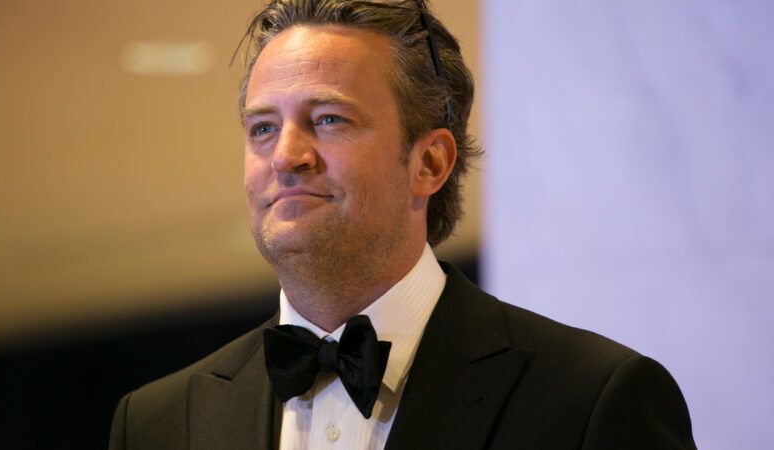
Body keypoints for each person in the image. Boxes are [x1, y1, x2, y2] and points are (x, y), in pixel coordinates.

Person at [109, 1, 697, 449]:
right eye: (262, 127)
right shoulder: (157, 422)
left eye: (329, 118)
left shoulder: (593, 398)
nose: (286, 155)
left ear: (430, 163)